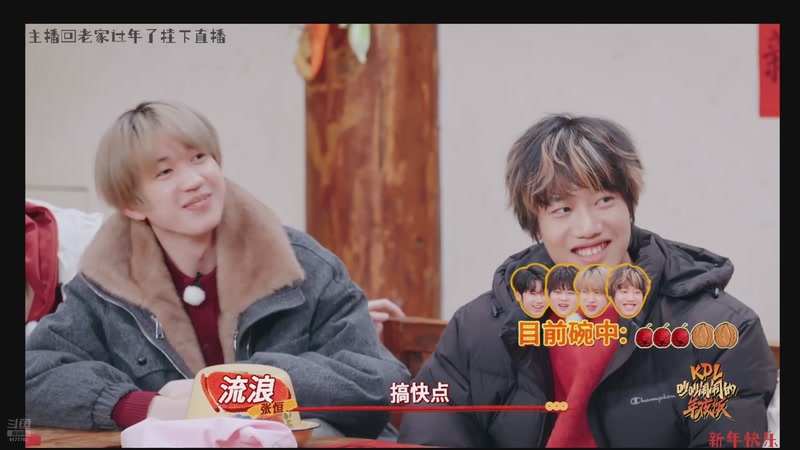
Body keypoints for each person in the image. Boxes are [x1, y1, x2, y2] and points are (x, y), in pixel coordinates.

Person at [25, 101, 411, 439]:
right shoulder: (105, 284)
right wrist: (147, 407)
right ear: (132, 205)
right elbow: (33, 376)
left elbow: (380, 383)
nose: (194, 181)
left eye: (199, 158)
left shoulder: (301, 264)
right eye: (165, 173)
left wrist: (236, 387)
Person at [397, 113, 777, 447]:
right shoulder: (477, 330)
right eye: (562, 209)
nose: (588, 227)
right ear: (535, 226)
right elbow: (433, 435)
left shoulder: (718, 332)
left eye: (604, 201)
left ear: (630, 204)